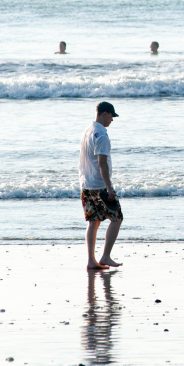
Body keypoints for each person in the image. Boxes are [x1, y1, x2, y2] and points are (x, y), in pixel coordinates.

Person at [79, 101, 123, 270]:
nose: (112, 119)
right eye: (112, 116)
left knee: (93, 221)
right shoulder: (101, 135)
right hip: (99, 185)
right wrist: (109, 188)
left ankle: (91, 260)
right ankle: (105, 256)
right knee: (117, 218)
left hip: (86, 183)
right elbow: (102, 163)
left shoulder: (87, 131)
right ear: (105, 113)